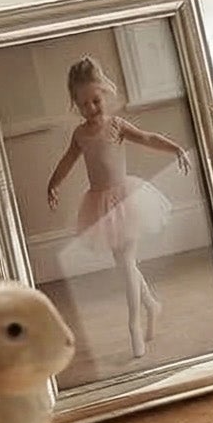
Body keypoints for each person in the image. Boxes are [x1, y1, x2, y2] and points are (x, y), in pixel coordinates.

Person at [45, 57, 189, 359]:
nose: (91, 108)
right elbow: (67, 160)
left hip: (127, 201)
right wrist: (53, 183)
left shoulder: (116, 125)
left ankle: (134, 325)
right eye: (83, 104)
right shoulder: (80, 135)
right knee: (126, 264)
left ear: (104, 94)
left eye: (95, 101)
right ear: (76, 104)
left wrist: (175, 148)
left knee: (125, 264)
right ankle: (152, 305)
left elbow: (147, 137)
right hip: (100, 206)